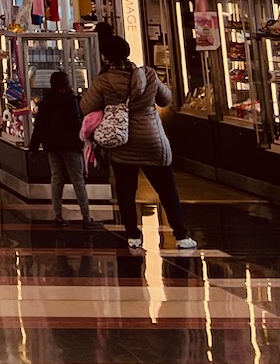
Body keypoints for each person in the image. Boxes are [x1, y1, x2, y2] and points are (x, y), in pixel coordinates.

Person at [81, 31, 196, 252]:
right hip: (152, 140)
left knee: (126, 191)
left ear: (105, 57)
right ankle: (181, 236)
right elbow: (166, 98)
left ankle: (133, 235)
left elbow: (86, 106)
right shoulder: (149, 75)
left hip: (122, 143)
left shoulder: (103, 81)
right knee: (167, 190)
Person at [29, 69, 92, 226]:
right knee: (78, 179)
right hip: (70, 146)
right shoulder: (71, 101)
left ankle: (58, 215)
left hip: (52, 146)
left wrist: (34, 148)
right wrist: (81, 144)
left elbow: (39, 126)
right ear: (65, 85)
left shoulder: (45, 102)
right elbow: (76, 124)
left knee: (57, 179)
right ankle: (86, 217)